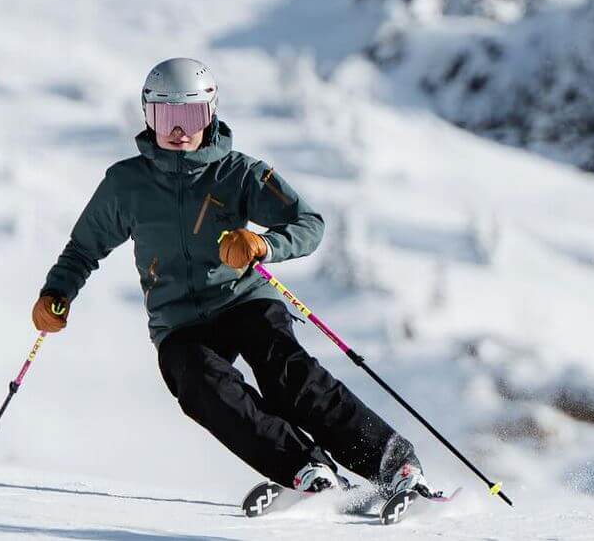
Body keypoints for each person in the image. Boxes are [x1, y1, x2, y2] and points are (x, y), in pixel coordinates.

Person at [32, 57, 428, 497]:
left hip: (244, 299)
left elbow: (308, 223)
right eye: (166, 115)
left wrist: (262, 245)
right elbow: (84, 248)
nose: (178, 129)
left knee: (286, 375)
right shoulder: (127, 184)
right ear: (148, 114)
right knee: (200, 386)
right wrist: (57, 293)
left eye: (190, 115)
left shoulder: (239, 172)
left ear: (210, 112)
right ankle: (307, 471)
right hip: (178, 321)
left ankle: (392, 464)